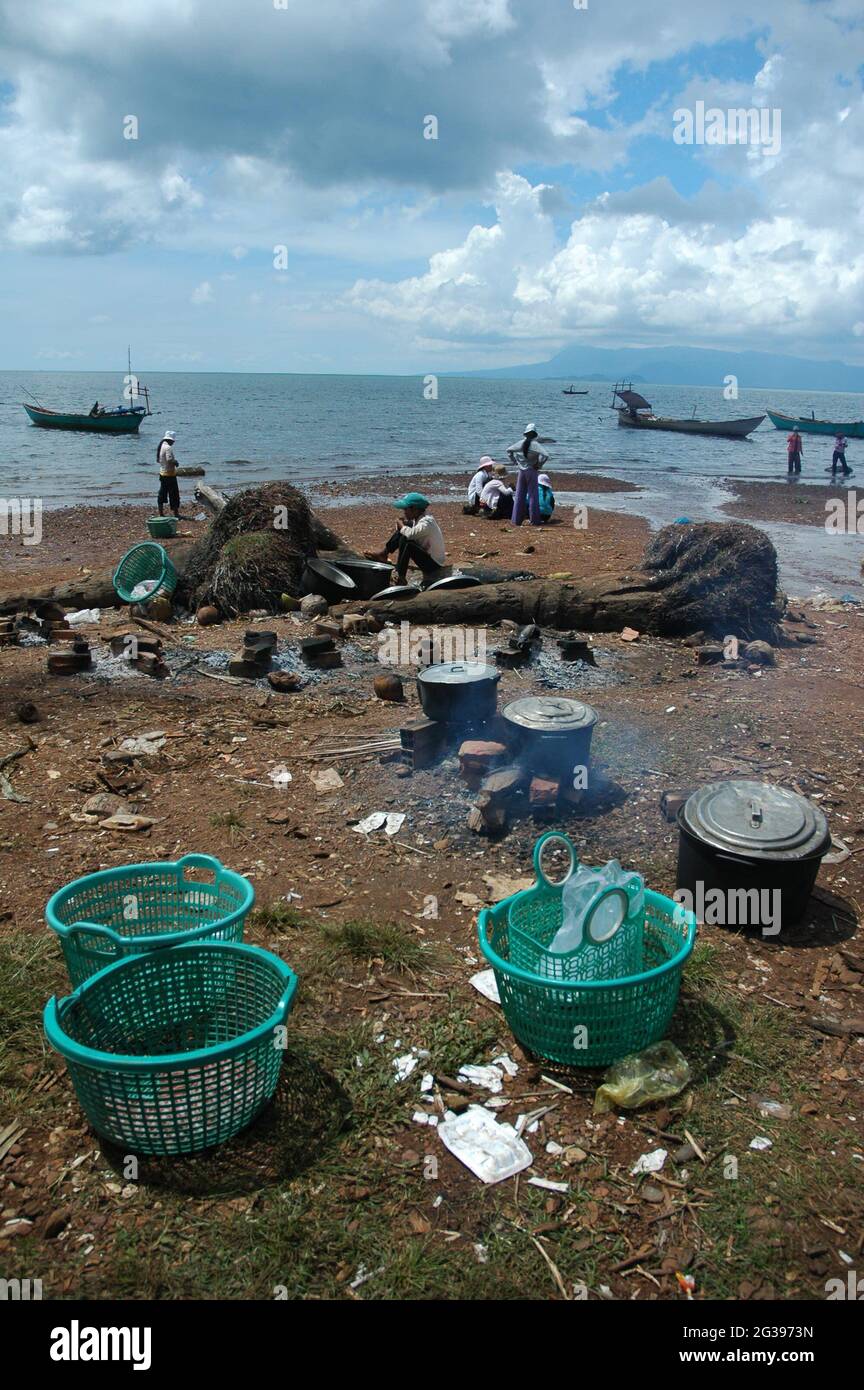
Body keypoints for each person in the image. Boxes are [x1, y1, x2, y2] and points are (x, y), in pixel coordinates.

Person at [365, 493, 447, 584]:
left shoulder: (427, 522)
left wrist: (401, 525)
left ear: (415, 509)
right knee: (406, 528)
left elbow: (410, 535)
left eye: (406, 509)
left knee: (406, 540)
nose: (404, 512)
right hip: (427, 557)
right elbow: (405, 531)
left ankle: (401, 575)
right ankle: (384, 553)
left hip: (433, 564)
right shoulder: (419, 518)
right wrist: (402, 526)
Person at [506, 422, 548, 525]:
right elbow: (546, 455)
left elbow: (508, 450)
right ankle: (534, 520)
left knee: (519, 495)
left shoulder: (520, 443)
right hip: (532, 471)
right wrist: (539, 465)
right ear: (534, 435)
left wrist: (515, 462)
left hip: (521, 471)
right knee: (533, 496)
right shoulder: (535, 445)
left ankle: (516, 520)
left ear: (525, 434)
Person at [157, 429, 181, 518]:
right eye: (173, 441)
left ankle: (161, 513)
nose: (173, 443)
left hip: (162, 473)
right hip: (169, 475)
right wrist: (176, 462)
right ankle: (176, 513)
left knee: (162, 493)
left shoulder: (162, 446)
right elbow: (169, 459)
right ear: (170, 440)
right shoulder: (168, 447)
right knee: (174, 494)